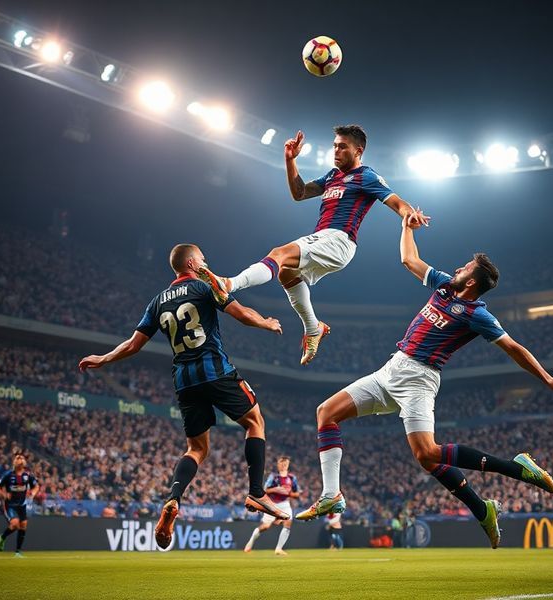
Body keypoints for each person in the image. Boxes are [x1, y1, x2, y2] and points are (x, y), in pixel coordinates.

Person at [295, 213, 553, 549]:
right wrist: (406, 226)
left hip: (420, 379)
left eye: (464, 269)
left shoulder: (477, 315)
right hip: (391, 369)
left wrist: (546, 378)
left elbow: (514, 348)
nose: (457, 269)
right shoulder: (444, 285)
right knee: (326, 412)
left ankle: (514, 469)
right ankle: (332, 495)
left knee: (427, 454)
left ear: (472, 282)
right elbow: (408, 259)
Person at [78, 243, 290, 549]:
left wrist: (103, 358)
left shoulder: (157, 301)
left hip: (184, 380)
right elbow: (240, 313)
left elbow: (133, 345)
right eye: (203, 258)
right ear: (192, 263)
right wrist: (265, 322)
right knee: (255, 422)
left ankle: (173, 498)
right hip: (215, 370)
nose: (207, 262)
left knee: (196, 449)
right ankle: (256, 492)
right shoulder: (205, 286)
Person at [198, 125, 430, 365]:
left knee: (279, 253)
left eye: (342, 147)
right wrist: (290, 160)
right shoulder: (332, 176)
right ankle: (313, 327)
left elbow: (396, 201)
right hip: (325, 238)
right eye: (335, 146)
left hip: (339, 239)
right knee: (286, 273)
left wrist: (410, 214)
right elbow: (299, 193)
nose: (336, 151)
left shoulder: (366, 176)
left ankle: (228, 284)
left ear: (358, 150)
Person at [244, 456, 300, 556]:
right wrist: (275, 489)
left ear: (288, 465)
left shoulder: (292, 478)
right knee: (265, 526)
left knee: (288, 523)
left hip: (285, 504)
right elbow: (264, 490)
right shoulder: (273, 477)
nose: (283, 466)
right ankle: (250, 542)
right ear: (278, 465)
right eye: (281, 464)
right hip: (272, 504)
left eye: (285, 464)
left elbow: (297, 494)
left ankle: (278, 549)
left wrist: (289, 493)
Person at [0, 452, 39, 557]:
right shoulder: (8, 474)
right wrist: (3, 494)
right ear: (15, 462)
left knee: (23, 526)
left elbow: (36, 486)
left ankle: (18, 552)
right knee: (15, 524)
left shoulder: (27, 475)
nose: (20, 459)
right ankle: (2, 537)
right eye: (18, 458)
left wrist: (32, 493)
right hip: (10, 505)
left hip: (22, 505)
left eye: (22, 458)